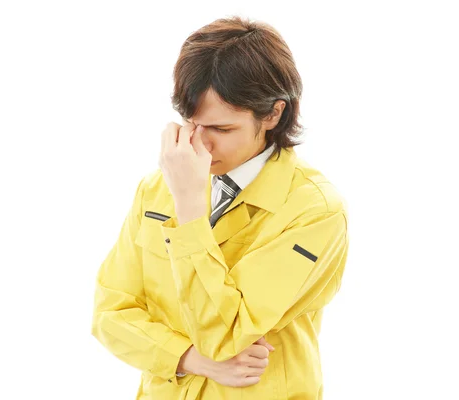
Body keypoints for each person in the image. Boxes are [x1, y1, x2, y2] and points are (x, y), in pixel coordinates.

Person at [91, 15, 349, 399]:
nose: (200, 145)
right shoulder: (158, 189)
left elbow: (227, 334)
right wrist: (189, 359)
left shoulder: (314, 211)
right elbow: (109, 316)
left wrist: (191, 210)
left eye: (222, 129)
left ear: (273, 114)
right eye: (191, 124)